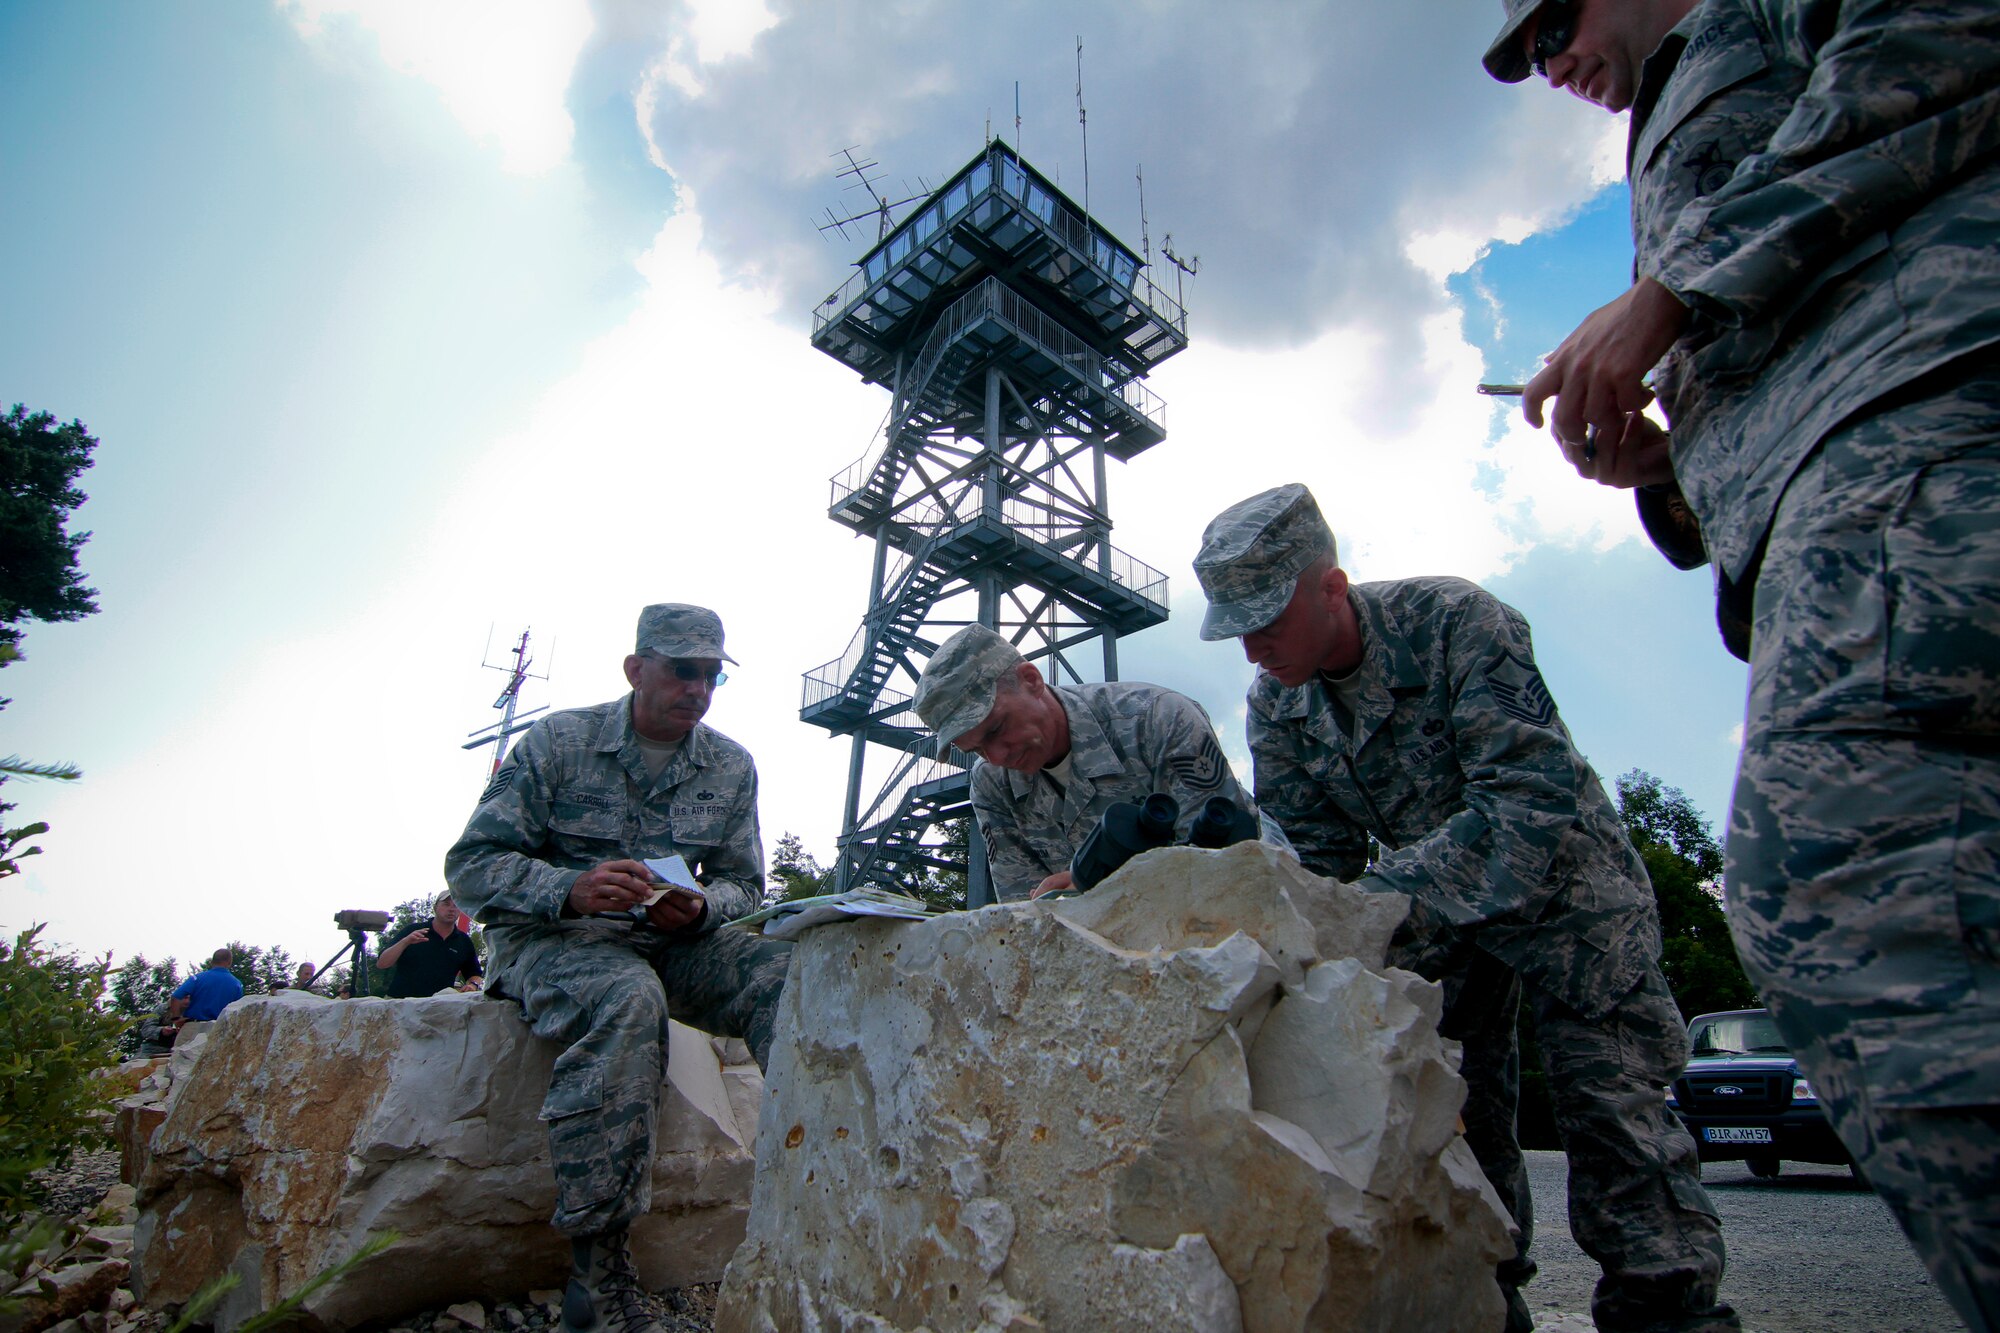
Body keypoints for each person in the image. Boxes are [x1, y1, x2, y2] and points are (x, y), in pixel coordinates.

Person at [1485, 3, 2000, 1325]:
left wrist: (1670, 288)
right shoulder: (1672, 110)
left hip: (1930, 418)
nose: (1552, 65)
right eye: (1526, 57)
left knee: (1850, 877)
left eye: (1554, 21)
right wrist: (1667, 458)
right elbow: (1791, 305)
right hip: (1847, 481)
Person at [1195, 483, 1736, 1333]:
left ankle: (1668, 1316)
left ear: (1330, 587)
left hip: (1570, 899)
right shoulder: (1278, 704)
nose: (1254, 648)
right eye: (1235, 629)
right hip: (1438, 921)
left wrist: (1379, 897)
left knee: (1616, 1124)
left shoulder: (1455, 622)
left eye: (1268, 617)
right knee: (1445, 1121)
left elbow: (1527, 793)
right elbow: (1321, 863)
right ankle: (1485, 1307)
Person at [445, 603, 792, 1333]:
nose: (697, 688)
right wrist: (564, 887)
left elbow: (743, 884)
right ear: (636, 669)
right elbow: (471, 864)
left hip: (671, 941)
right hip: (554, 940)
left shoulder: (730, 766)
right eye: (680, 670)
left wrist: (700, 909)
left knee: (787, 977)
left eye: (710, 675)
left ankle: (816, 1199)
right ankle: (596, 1273)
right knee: (628, 997)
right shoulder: (561, 742)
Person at [911, 623, 1276, 900]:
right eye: (975, 749)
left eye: (995, 730)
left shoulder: (1156, 720)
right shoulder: (991, 781)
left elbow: (1231, 864)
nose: (997, 757)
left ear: (1031, 680)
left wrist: (1104, 885)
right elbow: (1024, 908)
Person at [376, 892, 483, 998]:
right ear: (435, 907)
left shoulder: (463, 941)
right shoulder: (413, 931)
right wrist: (405, 942)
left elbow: (474, 973)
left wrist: (473, 985)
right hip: (400, 1003)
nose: (451, 909)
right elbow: (382, 964)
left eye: (456, 905)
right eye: (446, 904)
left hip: (438, 1007)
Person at [167, 948, 244, 1024]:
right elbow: (238, 1009)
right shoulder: (237, 984)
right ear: (229, 962)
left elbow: (175, 997)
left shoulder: (197, 978)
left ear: (212, 961)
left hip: (192, 1026)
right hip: (219, 1028)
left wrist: (176, 1018)